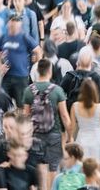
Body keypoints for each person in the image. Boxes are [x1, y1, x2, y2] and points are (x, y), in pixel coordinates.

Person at [23, 59, 72, 189]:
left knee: (39, 166)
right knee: (53, 168)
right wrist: (70, 136)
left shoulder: (28, 90)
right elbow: (64, 116)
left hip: (35, 134)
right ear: (50, 71)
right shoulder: (57, 90)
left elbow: (26, 117)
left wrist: (24, 136)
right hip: (54, 134)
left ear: (37, 71)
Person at [71, 79, 100, 172]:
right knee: (98, 172)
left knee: (83, 172)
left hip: (82, 140)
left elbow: (72, 127)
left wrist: (71, 141)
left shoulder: (75, 106)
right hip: (98, 141)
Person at [0, 14, 40, 107]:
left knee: (21, 105)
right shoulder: (3, 37)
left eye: (16, 26)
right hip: (6, 76)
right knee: (3, 103)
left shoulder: (24, 37)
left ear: (20, 25)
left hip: (21, 77)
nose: (14, 28)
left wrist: (36, 65)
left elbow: (38, 50)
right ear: (8, 24)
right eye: (12, 25)